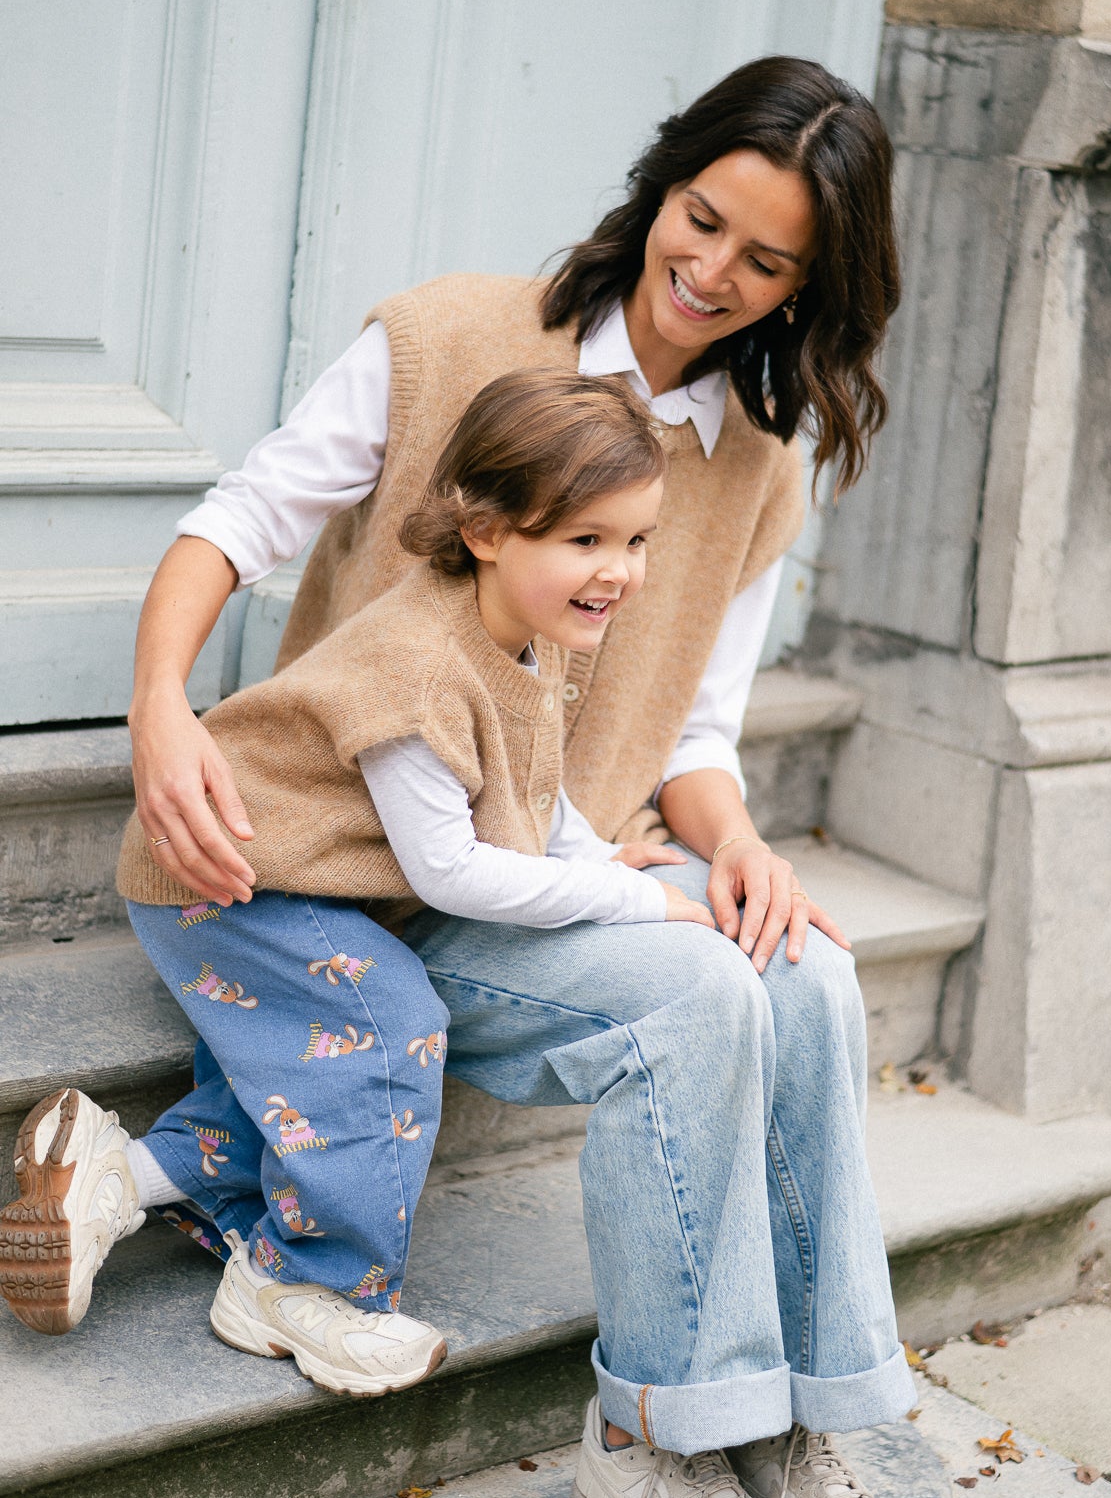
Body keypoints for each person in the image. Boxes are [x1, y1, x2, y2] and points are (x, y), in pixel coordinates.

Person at [6, 57, 939, 1498]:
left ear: (810, 287)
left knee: (811, 979)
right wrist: (160, 710)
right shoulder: (445, 340)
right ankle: (655, 1455)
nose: (711, 269)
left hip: (556, 858)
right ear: (661, 183)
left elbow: (696, 732)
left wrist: (736, 849)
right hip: (381, 871)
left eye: (766, 259)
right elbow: (237, 521)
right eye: (700, 217)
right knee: (700, 997)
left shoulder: (759, 464)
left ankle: (798, 1426)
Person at [0, 371, 703, 1398]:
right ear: (486, 530)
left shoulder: (526, 625)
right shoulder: (415, 670)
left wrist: (595, 856)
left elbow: (528, 782)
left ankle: (117, 1176)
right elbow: (449, 871)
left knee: (308, 1084)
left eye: (636, 539)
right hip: (222, 874)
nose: (619, 570)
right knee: (382, 1024)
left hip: (307, 881)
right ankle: (302, 1283)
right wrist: (631, 900)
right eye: (585, 539)